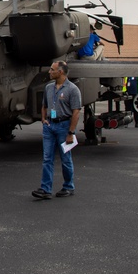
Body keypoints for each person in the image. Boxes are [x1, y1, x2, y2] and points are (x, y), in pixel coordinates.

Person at [32, 60, 80, 200]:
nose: (49, 72)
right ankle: (45, 189)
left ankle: (68, 186)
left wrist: (71, 132)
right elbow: (44, 105)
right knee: (47, 158)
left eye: (52, 70)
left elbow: (76, 112)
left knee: (65, 159)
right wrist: (43, 118)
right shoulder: (48, 88)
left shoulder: (72, 89)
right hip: (49, 127)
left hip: (64, 127)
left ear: (60, 72)